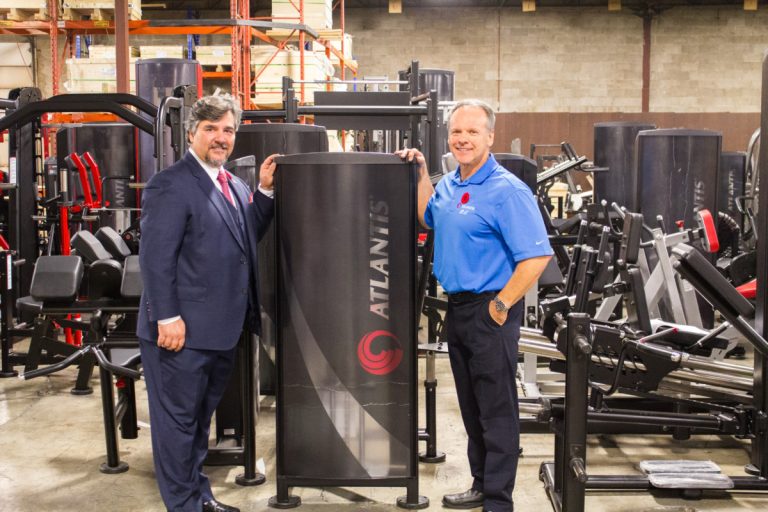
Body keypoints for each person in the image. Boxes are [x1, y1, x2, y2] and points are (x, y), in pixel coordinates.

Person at [398, 99, 552, 512]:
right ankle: (482, 484)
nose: (463, 139)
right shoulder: (450, 184)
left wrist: (501, 306)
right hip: (457, 309)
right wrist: (419, 173)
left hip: (489, 310)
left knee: (496, 410)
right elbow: (428, 217)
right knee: (471, 406)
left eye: (472, 132)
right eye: (456, 132)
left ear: (489, 137)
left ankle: (499, 501)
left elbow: (537, 256)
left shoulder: (507, 191)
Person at [137, 94, 278, 512]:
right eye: (211, 129)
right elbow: (156, 258)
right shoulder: (171, 183)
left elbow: (243, 236)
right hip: (180, 332)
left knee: (199, 423)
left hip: (219, 330)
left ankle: (200, 497)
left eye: (228, 130)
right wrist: (167, 317)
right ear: (191, 133)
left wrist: (264, 192)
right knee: (177, 426)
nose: (220, 137)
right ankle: (184, 505)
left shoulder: (233, 184)